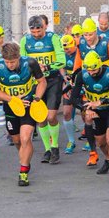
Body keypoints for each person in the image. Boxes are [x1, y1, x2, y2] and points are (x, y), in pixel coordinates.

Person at [0, 42, 47, 187]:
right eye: (7, 62)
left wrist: (37, 98)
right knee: (17, 141)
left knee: (25, 138)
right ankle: (25, 159)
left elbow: (42, 82)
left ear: (18, 57)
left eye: (13, 62)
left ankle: (23, 171)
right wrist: (12, 99)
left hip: (28, 105)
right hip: (11, 107)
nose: (10, 65)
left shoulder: (30, 63)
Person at [20, 16, 67, 165]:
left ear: (44, 27)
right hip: (36, 82)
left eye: (38, 31)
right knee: (40, 117)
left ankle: (55, 147)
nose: (36, 34)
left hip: (52, 80)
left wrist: (46, 67)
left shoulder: (53, 38)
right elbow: (22, 63)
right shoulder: (25, 41)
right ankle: (48, 149)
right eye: (33, 32)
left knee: (51, 116)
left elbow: (62, 60)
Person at [75, 50, 109, 183]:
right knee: (101, 142)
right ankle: (108, 159)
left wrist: (101, 102)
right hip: (96, 112)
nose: (91, 73)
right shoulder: (82, 75)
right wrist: (85, 108)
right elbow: (74, 98)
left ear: (100, 65)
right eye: (88, 70)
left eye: (94, 70)